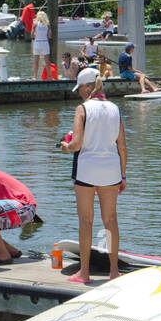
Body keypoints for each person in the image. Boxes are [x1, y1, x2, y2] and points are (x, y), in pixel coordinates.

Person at [59, 67, 127, 284]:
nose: (79, 92)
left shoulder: (82, 109)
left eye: (80, 88)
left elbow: (77, 144)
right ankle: (114, 271)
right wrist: (123, 176)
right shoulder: (116, 108)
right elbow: (122, 146)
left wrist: (65, 146)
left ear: (88, 88)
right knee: (110, 221)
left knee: (86, 221)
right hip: (111, 170)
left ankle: (84, 272)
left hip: (87, 171)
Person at [31, 10, 51, 80]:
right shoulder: (47, 24)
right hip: (45, 42)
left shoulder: (35, 24)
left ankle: (35, 77)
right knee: (47, 61)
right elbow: (50, 36)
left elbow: (32, 35)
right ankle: (49, 77)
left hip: (37, 42)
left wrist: (36, 34)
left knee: (36, 61)